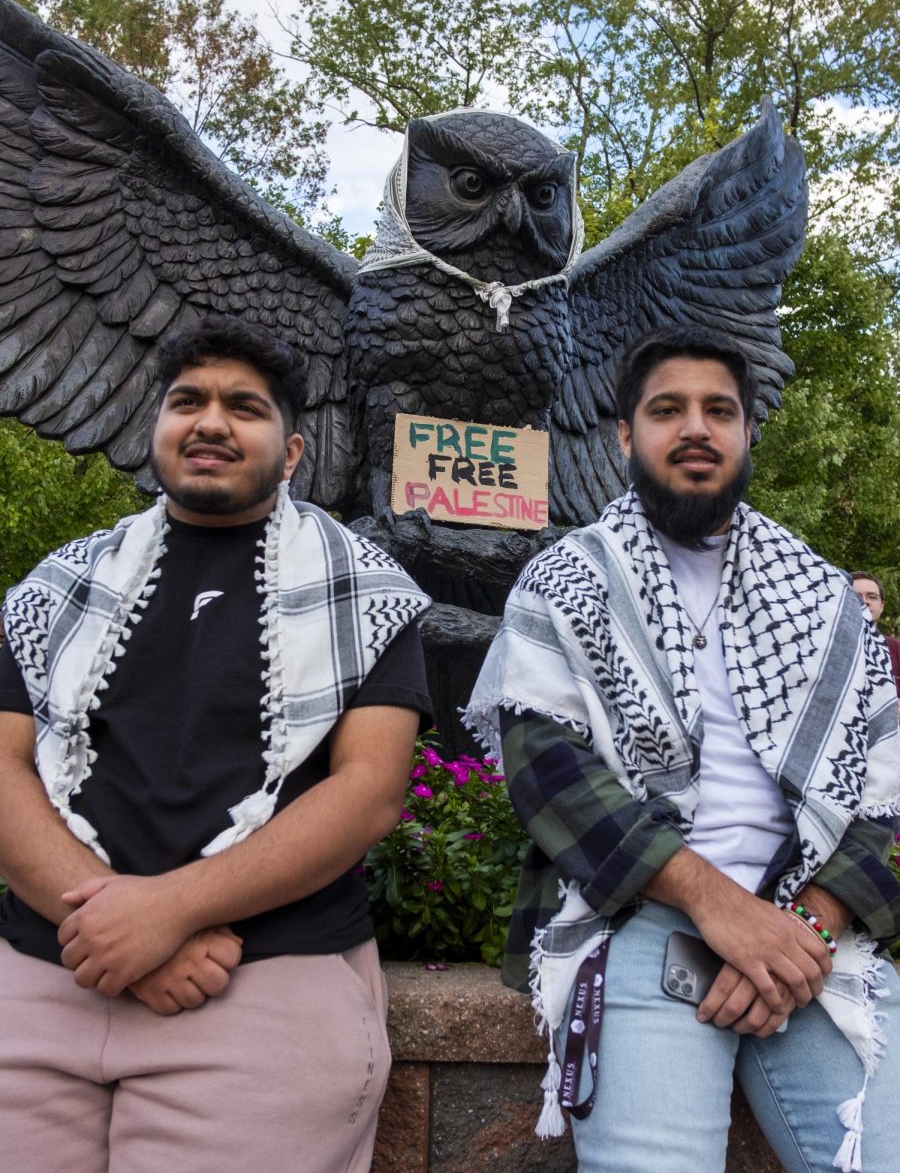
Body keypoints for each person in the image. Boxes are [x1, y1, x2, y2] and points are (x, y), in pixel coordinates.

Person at [0, 315, 432, 1173]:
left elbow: (370, 791)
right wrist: (120, 924)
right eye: (186, 401)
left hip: (261, 984)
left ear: (294, 449)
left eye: (245, 407)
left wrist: (171, 911)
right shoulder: (59, 586)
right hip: (42, 973)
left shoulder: (366, 595)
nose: (210, 422)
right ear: (156, 428)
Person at [465, 325, 900, 1173]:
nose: (696, 428)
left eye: (719, 411)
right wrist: (720, 909)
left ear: (746, 434)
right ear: (627, 436)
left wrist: (802, 927)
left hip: (815, 940)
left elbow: (885, 796)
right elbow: (549, 773)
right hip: (640, 920)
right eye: (668, 410)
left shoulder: (820, 593)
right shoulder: (568, 580)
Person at [851, 570, 900, 717]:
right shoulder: (825, 648)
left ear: (882, 606)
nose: (865, 601)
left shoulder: (896, 649)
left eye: (872, 597)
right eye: (856, 597)